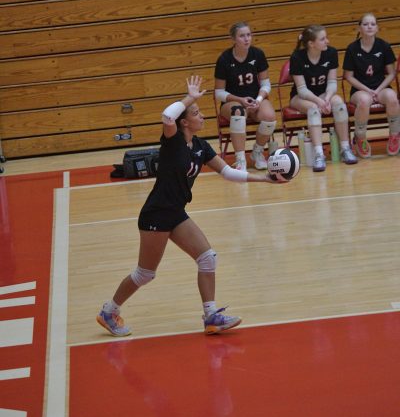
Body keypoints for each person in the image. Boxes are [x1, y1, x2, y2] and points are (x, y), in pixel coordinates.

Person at [97, 76, 276, 338]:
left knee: (207, 258)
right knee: (145, 273)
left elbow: (227, 172)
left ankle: (211, 316)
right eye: (196, 113)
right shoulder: (173, 141)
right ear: (184, 121)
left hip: (176, 213)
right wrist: (190, 98)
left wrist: (263, 179)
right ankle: (109, 311)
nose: (202, 116)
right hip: (157, 214)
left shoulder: (201, 147)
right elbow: (167, 117)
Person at [289, 24, 358, 172]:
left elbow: (332, 82)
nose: (327, 41)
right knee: (314, 109)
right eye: (323, 39)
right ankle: (318, 154)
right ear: (311, 44)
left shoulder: (331, 53)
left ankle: (345, 148)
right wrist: (319, 102)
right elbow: (301, 90)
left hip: (323, 94)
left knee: (339, 104)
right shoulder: (297, 57)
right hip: (301, 97)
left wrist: (326, 98)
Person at [214, 21, 276, 171]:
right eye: (242, 36)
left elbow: (266, 85)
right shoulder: (224, 59)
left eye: (249, 35)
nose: (247, 39)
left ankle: (257, 152)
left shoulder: (258, 54)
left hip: (255, 99)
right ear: (234, 39)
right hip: (233, 103)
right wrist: (240, 100)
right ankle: (240, 159)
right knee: (238, 112)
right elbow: (219, 93)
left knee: (269, 116)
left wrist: (259, 100)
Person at [343, 13, 400, 157]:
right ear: (359, 28)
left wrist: (378, 90)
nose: (369, 27)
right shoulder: (352, 49)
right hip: (360, 90)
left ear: (377, 28)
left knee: (392, 97)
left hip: (380, 88)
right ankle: (360, 138)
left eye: (373, 24)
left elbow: (392, 73)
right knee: (364, 101)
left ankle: (394, 135)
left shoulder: (384, 46)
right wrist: (367, 90)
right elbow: (348, 76)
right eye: (366, 24)